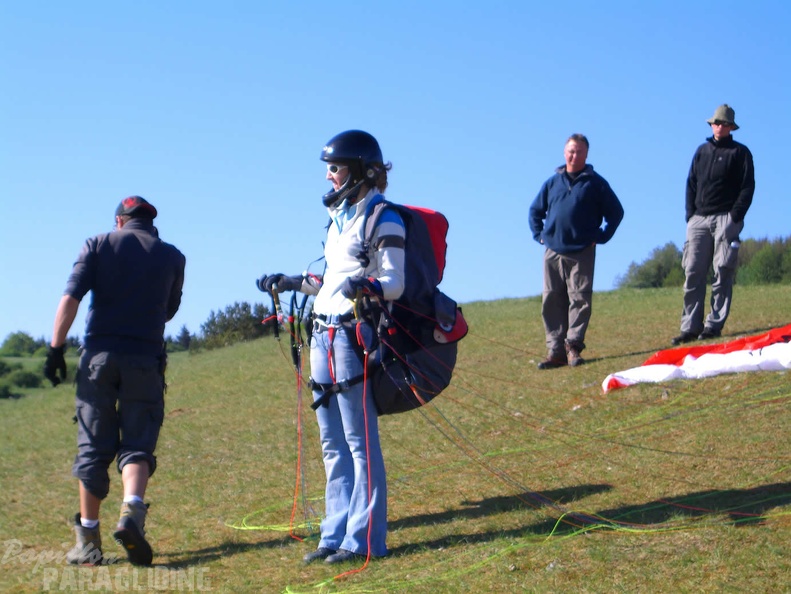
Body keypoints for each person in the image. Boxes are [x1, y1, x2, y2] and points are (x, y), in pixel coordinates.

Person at [257, 130, 405, 564]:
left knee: (360, 442)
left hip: (350, 336)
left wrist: (369, 284)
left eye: (335, 167)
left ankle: (365, 541)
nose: (329, 174)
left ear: (360, 170)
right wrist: (290, 282)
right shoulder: (339, 219)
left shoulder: (385, 217)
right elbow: (328, 283)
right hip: (319, 333)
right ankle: (334, 533)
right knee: (331, 443)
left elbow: (395, 283)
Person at [44, 196, 185, 566]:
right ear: (151, 225)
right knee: (138, 443)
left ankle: (88, 541)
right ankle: (131, 515)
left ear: (119, 221)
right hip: (145, 358)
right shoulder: (172, 256)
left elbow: (71, 297)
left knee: (92, 445)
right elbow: (169, 311)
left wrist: (55, 348)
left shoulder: (98, 243)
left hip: (99, 359)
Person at [528, 134, 624, 369]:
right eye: (571, 151)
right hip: (553, 251)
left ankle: (573, 348)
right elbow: (534, 211)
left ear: (586, 154)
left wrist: (600, 237)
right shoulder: (552, 183)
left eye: (579, 151)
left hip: (582, 251)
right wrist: (540, 235)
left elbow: (616, 213)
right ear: (564, 153)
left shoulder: (596, 183)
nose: (574, 155)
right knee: (551, 299)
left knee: (579, 299)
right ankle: (555, 351)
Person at [671, 104, 755, 345]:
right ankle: (689, 328)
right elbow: (691, 183)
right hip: (699, 219)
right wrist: (691, 215)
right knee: (693, 272)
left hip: (725, 219)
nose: (719, 126)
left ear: (730, 127)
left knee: (722, 271)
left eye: (723, 123)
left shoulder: (740, 153)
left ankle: (713, 325)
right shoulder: (702, 151)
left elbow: (747, 187)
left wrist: (735, 217)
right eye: (715, 123)